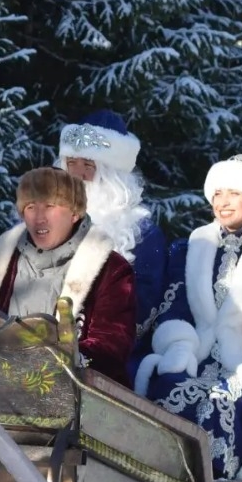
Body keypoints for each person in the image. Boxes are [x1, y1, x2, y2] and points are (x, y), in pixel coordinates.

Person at [133, 154, 242, 481]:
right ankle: (157, 480)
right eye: (217, 194)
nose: (223, 202)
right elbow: (174, 305)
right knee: (168, 386)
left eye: (234, 193)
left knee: (219, 402)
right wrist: (179, 345)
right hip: (197, 352)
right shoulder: (191, 247)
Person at [0, 167, 137, 387]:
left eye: (49, 206)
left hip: (79, 399)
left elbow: (112, 347)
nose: (39, 218)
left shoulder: (111, 269)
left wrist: (68, 357)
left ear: (75, 213)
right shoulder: (1, 262)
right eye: (30, 207)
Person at [57, 110, 168, 376]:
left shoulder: (142, 234)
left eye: (89, 165)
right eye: (72, 163)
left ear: (113, 175)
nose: (79, 175)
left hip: (100, 354)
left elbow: (139, 312)